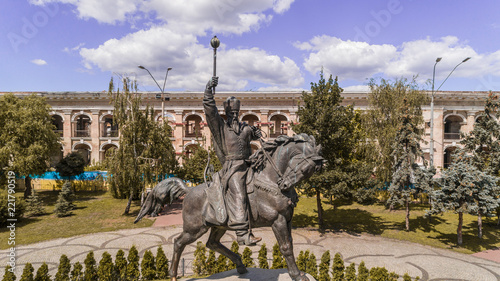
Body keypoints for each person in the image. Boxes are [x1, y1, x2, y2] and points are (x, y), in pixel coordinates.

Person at [203, 76, 262, 246]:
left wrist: (256, 134)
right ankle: (242, 233)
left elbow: (253, 139)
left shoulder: (245, 128)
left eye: (236, 113)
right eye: (231, 113)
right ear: (226, 114)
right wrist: (209, 90)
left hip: (248, 163)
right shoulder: (221, 127)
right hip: (232, 168)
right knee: (238, 191)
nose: (234, 115)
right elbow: (210, 110)